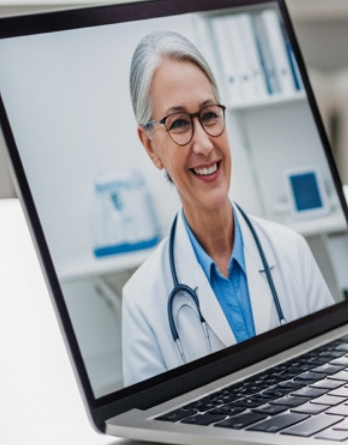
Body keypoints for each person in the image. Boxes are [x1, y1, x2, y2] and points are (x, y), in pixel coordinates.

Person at [120, 31, 333, 387]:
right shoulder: (142, 302)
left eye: (209, 115)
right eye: (179, 124)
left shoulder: (292, 251)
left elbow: (338, 384)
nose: (204, 144)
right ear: (150, 147)